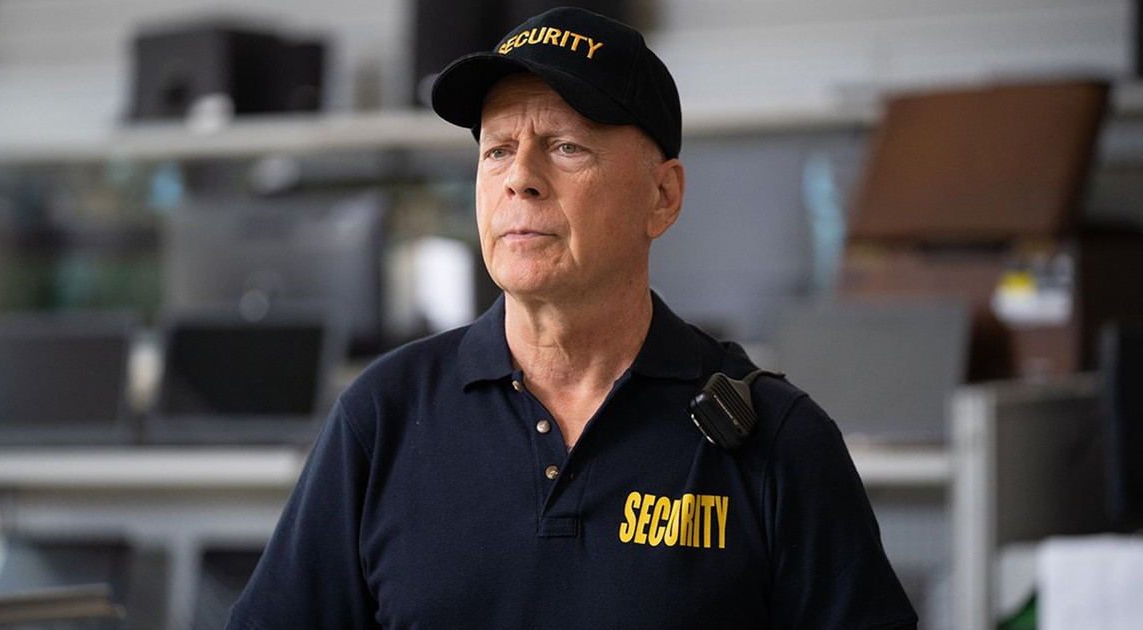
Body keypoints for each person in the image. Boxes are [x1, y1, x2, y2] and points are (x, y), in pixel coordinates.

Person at [226, 7, 918, 629]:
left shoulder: (775, 440)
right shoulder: (383, 416)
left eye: (565, 147)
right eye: (497, 150)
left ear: (663, 196)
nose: (519, 178)